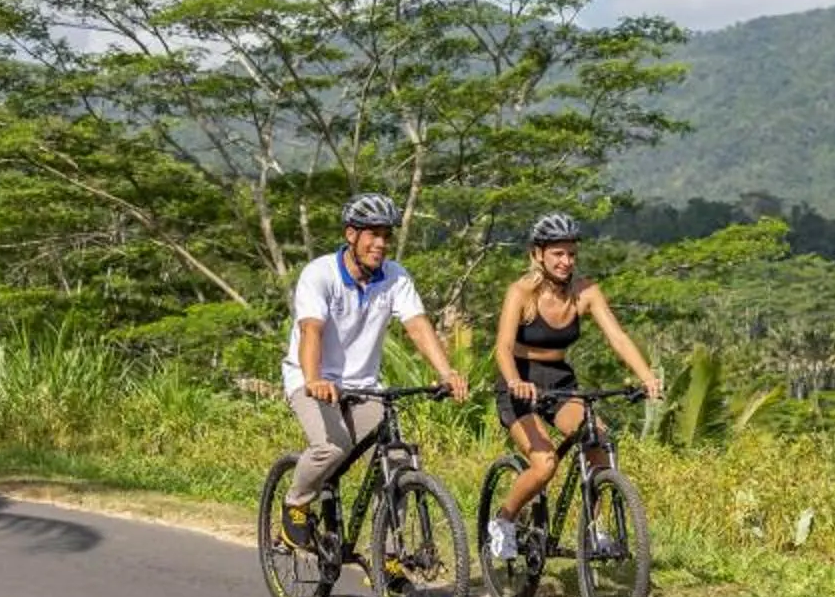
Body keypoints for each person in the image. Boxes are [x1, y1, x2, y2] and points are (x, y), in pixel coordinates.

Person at [280, 192, 467, 542]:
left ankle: (391, 555)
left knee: (396, 461)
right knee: (331, 448)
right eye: (373, 234)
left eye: (386, 236)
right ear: (351, 234)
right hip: (310, 378)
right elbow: (311, 330)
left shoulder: (395, 276)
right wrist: (314, 379)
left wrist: (447, 373)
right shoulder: (320, 274)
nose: (380, 244)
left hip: (365, 385)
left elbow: (417, 326)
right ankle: (296, 502)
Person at [487, 212, 662, 561]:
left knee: (598, 439)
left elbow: (618, 337)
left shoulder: (585, 292)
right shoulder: (521, 293)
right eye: (558, 253)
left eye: (571, 253)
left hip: (559, 381)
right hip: (518, 381)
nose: (566, 261)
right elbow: (503, 348)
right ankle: (503, 520)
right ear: (538, 254)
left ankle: (596, 530)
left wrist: (647, 377)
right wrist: (516, 381)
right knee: (545, 464)